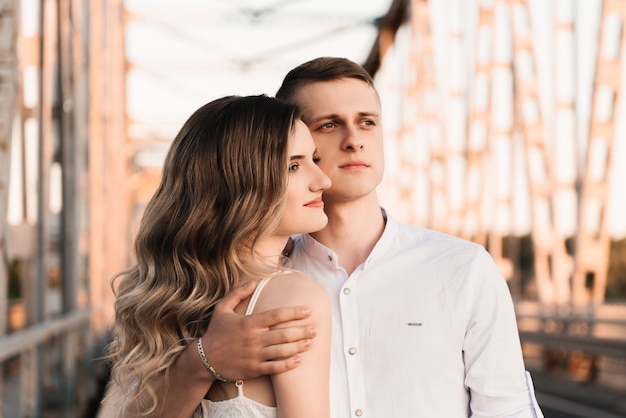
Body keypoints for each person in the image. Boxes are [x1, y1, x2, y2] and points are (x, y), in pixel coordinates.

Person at [107, 57, 544, 418]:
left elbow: (508, 410)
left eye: (367, 122)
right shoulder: (242, 281)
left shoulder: (462, 269)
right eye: (330, 125)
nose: (355, 140)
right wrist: (203, 360)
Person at [104, 94, 332, 418]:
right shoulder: (293, 296)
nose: (324, 180)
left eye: (315, 159)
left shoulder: (182, 294)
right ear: (239, 185)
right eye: (293, 166)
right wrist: (204, 359)